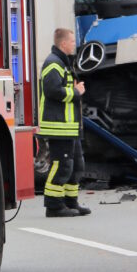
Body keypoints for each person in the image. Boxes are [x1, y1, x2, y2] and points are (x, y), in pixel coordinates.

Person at [39, 27, 90, 217]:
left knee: (77, 166)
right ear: (63, 44)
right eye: (71, 41)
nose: (74, 45)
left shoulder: (63, 62)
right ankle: (54, 207)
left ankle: (71, 203)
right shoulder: (53, 64)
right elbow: (52, 91)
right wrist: (76, 92)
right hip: (59, 126)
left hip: (70, 127)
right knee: (61, 166)